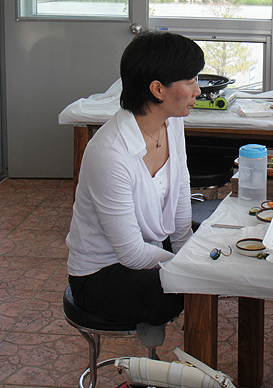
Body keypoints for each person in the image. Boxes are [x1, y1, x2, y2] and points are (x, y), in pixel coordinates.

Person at [66, 31, 203, 328]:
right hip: (102, 273)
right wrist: (189, 267)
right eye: (190, 81)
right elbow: (130, 253)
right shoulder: (110, 152)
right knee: (192, 289)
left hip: (149, 250)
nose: (198, 91)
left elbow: (181, 194)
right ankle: (195, 371)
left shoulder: (172, 124)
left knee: (206, 261)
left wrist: (187, 251)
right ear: (158, 89)